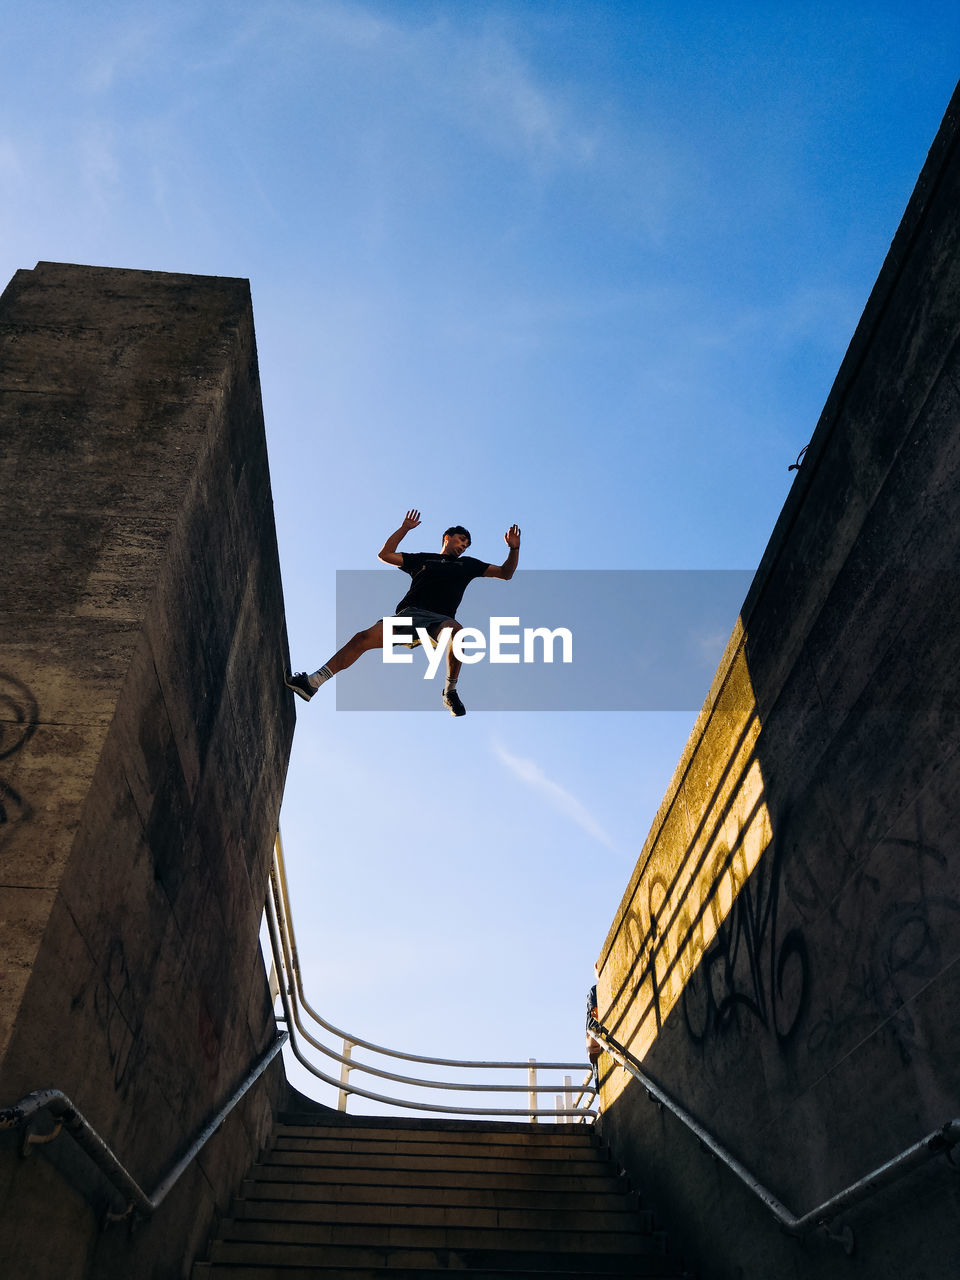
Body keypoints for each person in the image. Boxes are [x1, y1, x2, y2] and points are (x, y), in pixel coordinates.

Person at [285, 509, 521, 716]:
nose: (463, 546)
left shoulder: (468, 564)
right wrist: (404, 529)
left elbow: (505, 573)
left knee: (457, 634)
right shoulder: (422, 559)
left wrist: (514, 549)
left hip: (440, 620)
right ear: (447, 538)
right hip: (408, 616)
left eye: (467, 544)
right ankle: (312, 683)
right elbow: (385, 554)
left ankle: (450, 691)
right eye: (461, 540)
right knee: (362, 639)